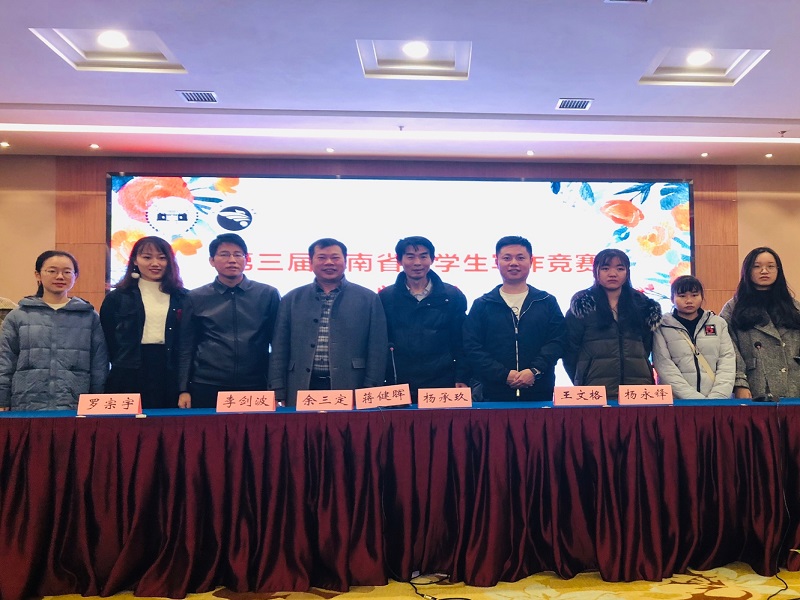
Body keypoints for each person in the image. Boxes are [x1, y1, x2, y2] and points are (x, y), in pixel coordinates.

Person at [269, 238, 388, 406]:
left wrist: (372, 388)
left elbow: (377, 348)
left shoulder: (368, 298)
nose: (329, 262)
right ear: (310, 262)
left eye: (335, 257)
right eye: (322, 257)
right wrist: (277, 388)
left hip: (352, 383)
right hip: (301, 383)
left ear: (346, 261)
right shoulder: (292, 299)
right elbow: (279, 348)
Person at [177, 233, 281, 408]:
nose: (232, 260)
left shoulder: (267, 294)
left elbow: (278, 344)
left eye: (238, 254)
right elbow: (186, 346)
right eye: (224, 254)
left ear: (246, 259)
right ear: (212, 260)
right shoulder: (195, 297)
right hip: (207, 384)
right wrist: (183, 388)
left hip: (256, 383)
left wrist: (278, 386)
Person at [0, 250, 108, 411]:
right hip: (26, 403)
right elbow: (5, 361)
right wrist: (2, 399)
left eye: (67, 272)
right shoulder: (18, 316)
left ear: (75, 276)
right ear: (38, 275)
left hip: (74, 403)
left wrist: (96, 400)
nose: (60, 276)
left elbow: (99, 364)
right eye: (52, 271)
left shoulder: (89, 317)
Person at [463, 235, 566, 401]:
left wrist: (534, 371)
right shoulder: (482, 304)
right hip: (493, 394)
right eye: (507, 258)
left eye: (520, 258)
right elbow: (472, 347)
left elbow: (557, 341)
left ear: (531, 261)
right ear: (496, 262)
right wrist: (503, 374)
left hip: (540, 391)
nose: (513, 263)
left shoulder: (546, 301)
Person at [100, 236, 188, 409]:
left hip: (169, 371)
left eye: (162, 258)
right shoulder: (117, 297)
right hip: (128, 371)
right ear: (135, 260)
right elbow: (108, 339)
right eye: (147, 257)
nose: (155, 263)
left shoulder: (184, 297)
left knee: (167, 422)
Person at [379, 236, 468, 400]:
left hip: (443, 381)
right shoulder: (386, 297)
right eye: (410, 257)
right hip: (398, 383)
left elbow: (462, 340)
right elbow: (380, 343)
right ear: (399, 260)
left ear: (432, 259)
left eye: (423, 256)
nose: (417, 263)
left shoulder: (451, 296)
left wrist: (461, 376)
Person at [563, 248, 661, 398]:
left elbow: (646, 347)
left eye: (620, 268)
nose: (613, 273)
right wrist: (581, 379)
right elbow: (570, 351)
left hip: (638, 388)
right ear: (596, 271)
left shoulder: (642, 305)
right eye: (605, 268)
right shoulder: (583, 305)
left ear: (627, 272)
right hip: (594, 390)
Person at [720, 246, 800, 400]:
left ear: (778, 270)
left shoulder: (794, 307)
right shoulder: (733, 308)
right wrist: (740, 383)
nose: (764, 271)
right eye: (757, 266)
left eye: (770, 266)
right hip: (755, 386)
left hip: (794, 386)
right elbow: (728, 351)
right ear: (747, 271)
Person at [652, 275, 735, 399]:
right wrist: (693, 398)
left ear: (702, 297)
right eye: (682, 296)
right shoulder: (662, 326)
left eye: (694, 295)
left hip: (716, 401)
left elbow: (727, 361)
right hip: (677, 401)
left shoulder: (718, 323)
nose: (689, 300)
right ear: (672, 298)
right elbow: (664, 365)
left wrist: (718, 396)